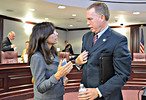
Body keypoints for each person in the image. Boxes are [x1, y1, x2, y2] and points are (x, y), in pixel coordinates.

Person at [75, 2, 131, 100]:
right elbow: (85, 61)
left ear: (101, 17)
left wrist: (98, 91)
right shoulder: (86, 37)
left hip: (107, 95)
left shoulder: (118, 39)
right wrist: (77, 62)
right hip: (87, 94)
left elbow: (122, 75)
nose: (87, 23)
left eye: (90, 19)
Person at [28, 22, 73, 100]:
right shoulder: (37, 57)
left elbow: (54, 75)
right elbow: (40, 87)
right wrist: (58, 75)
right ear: (44, 36)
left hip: (58, 95)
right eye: (53, 32)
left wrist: (62, 79)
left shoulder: (53, 53)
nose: (57, 34)